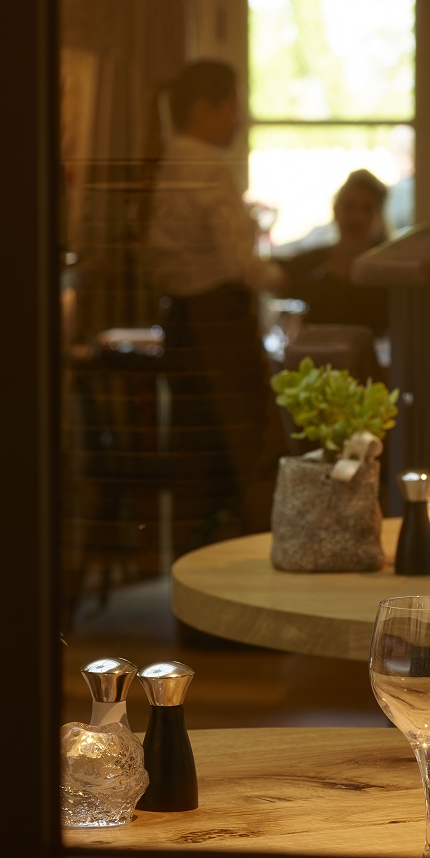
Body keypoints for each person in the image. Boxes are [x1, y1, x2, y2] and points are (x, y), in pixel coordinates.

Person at [143, 60, 286, 539]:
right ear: (204, 109)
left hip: (181, 321)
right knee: (247, 445)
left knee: (198, 449)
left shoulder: (169, 163)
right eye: (231, 108)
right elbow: (236, 264)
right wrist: (283, 276)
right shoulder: (207, 168)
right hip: (219, 324)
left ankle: (196, 554)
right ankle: (246, 550)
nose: (237, 120)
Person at [278, 168, 391, 338]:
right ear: (335, 208)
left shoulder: (391, 271)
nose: (356, 215)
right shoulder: (309, 265)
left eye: (366, 209)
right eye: (348, 205)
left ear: (379, 217)